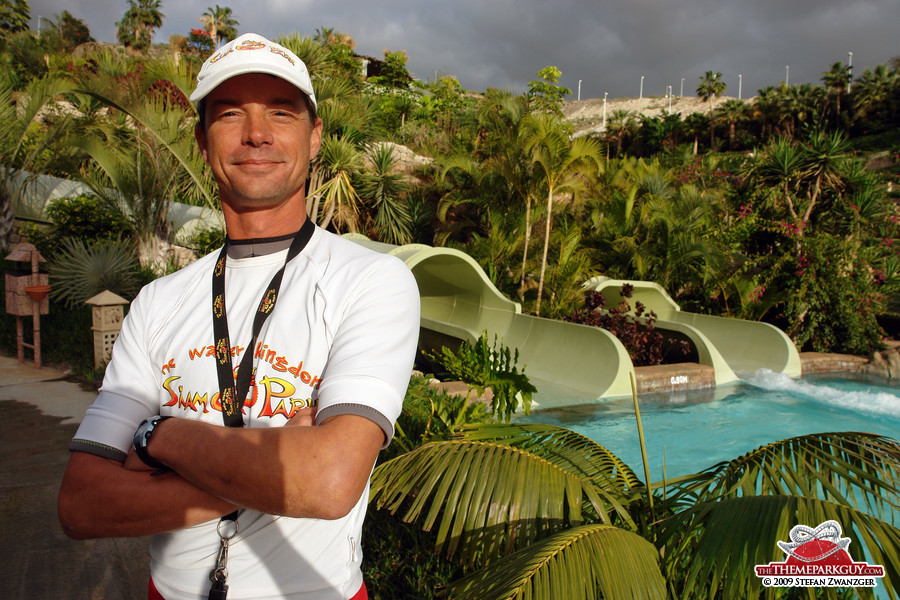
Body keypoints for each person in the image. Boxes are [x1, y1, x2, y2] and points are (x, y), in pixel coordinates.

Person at [58, 33, 420, 600]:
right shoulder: (159, 302)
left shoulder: (370, 281)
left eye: (281, 111)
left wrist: (161, 437)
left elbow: (326, 484)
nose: (257, 133)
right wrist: (272, 470)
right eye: (231, 113)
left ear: (314, 136)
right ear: (203, 141)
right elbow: (82, 505)